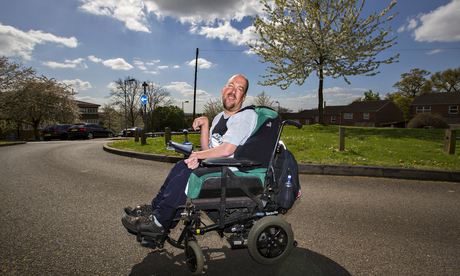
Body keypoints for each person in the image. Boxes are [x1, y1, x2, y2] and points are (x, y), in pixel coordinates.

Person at [122, 74, 257, 237]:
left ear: (243, 97)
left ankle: (158, 223)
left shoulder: (246, 116)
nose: (233, 91)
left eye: (239, 88)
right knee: (181, 165)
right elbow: (209, 148)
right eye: (231, 86)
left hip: (230, 172)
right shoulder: (219, 117)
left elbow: (227, 150)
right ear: (223, 90)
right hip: (215, 165)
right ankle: (156, 209)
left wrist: (198, 155)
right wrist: (206, 124)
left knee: (188, 173)